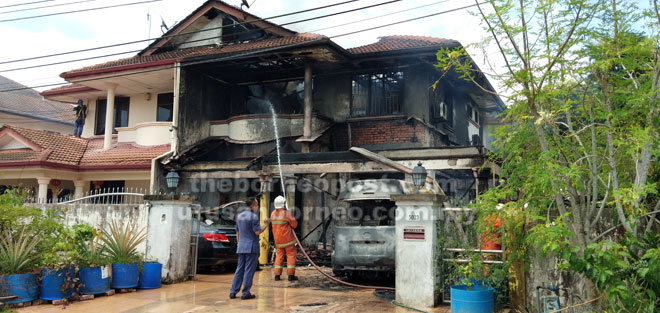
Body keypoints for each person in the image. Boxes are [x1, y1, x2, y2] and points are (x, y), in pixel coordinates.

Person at [230, 198, 270, 300]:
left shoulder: (239, 216)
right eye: (256, 205)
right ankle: (245, 293)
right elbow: (257, 232)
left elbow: (237, 232)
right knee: (248, 270)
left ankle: (233, 292)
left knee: (239, 269)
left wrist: (240, 244)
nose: (257, 207)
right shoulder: (253, 217)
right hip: (251, 247)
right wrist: (266, 224)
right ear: (252, 205)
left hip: (241, 246)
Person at [270, 195, 299, 281]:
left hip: (278, 241)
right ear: (284, 204)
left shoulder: (272, 214)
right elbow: (294, 225)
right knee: (291, 256)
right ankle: (291, 275)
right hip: (288, 241)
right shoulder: (287, 213)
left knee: (279, 256)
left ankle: (277, 275)